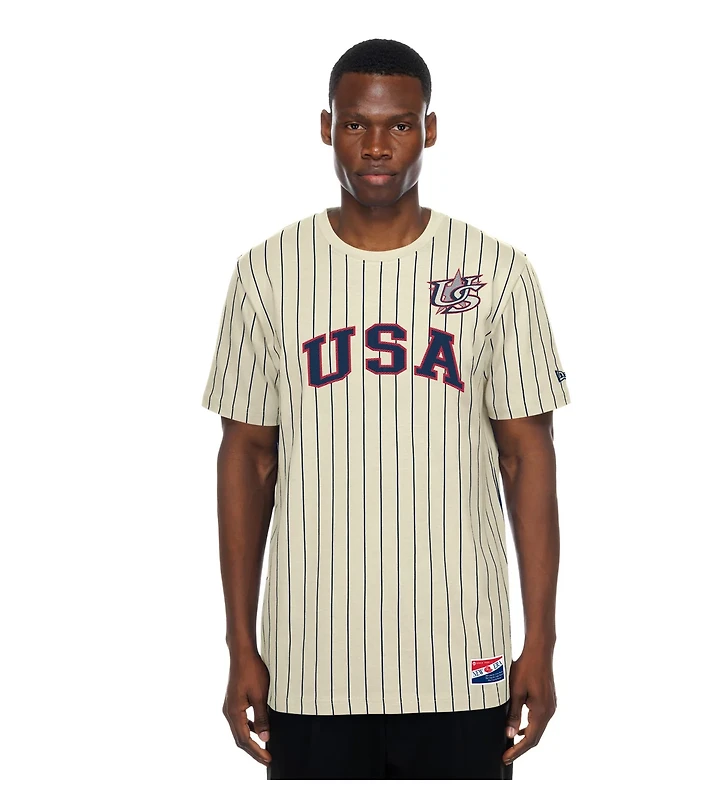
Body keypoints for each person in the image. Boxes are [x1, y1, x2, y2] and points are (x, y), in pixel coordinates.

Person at [200, 37, 572, 781]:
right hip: (309, 661)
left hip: (463, 657)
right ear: (326, 127)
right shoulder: (266, 273)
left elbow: (526, 456)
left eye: (399, 124)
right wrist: (241, 645)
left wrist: (543, 642)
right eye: (356, 124)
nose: (377, 146)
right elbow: (248, 458)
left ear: (428, 128)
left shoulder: (497, 271)